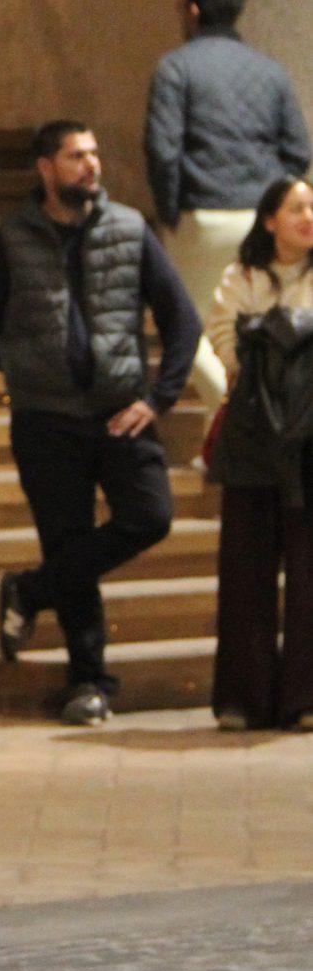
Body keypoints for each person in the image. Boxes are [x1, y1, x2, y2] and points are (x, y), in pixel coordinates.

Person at [0, 121, 199, 726]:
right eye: (76, 156)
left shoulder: (130, 228)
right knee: (68, 544)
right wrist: (31, 374)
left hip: (122, 413)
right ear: (46, 168)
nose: (91, 165)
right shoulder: (13, 236)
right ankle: (89, 681)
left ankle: (29, 591)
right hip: (45, 423)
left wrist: (158, 399)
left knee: (150, 517)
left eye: (94, 154)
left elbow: (182, 320)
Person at [145, 0, 311, 408]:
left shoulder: (176, 67)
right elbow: (298, 150)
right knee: (262, 326)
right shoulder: (271, 71)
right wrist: (274, 204)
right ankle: (247, 423)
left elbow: (162, 150)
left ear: (193, 10)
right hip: (264, 216)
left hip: (202, 214)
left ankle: (231, 411)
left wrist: (170, 211)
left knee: (185, 327)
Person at [206, 178, 313, 730]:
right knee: (246, 571)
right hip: (252, 439)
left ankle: (305, 698)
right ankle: (244, 699)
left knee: (309, 576)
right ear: (269, 220)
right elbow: (223, 338)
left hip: (310, 442)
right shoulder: (241, 277)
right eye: (297, 208)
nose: (309, 217)